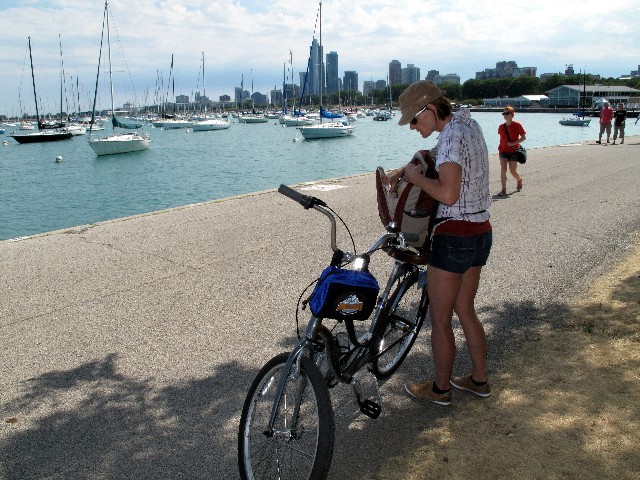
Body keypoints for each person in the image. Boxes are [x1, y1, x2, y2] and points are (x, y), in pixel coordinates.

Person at [384, 80, 492, 406]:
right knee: (466, 310)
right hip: (480, 232)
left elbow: (448, 193)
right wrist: (403, 170)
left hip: (454, 237)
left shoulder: (448, 142)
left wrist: (415, 178)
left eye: (414, 120)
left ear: (430, 110)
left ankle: (441, 389)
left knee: (441, 321)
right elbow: (436, 155)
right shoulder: (466, 125)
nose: (412, 128)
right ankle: (479, 381)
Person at [497, 106, 526, 196]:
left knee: (512, 171)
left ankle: (519, 179)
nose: (504, 115)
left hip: (513, 150)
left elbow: (523, 138)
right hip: (503, 151)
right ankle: (503, 190)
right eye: (503, 113)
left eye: (507, 113)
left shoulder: (517, 125)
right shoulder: (501, 127)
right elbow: (501, 138)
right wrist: (500, 147)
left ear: (512, 115)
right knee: (503, 169)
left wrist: (513, 143)